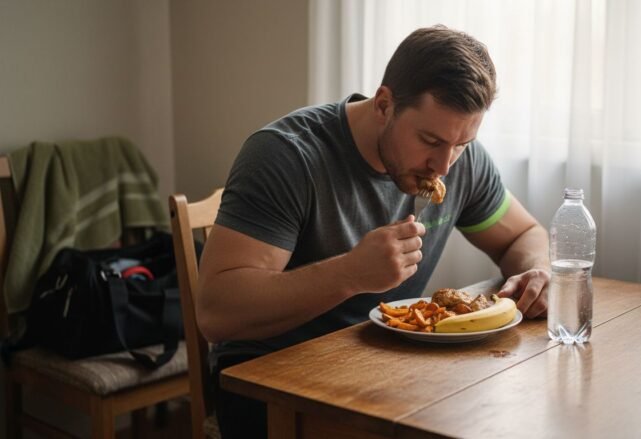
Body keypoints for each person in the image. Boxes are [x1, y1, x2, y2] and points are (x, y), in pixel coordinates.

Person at [198, 25, 550, 438]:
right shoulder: (286, 156)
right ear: (384, 104)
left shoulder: (458, 159)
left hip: (384, 369)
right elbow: (217, 313)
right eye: (430, 140)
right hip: (269, 383)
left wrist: (535, 272)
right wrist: (349, 273)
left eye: (462, 144)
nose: (444, 166)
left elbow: (521, 234)